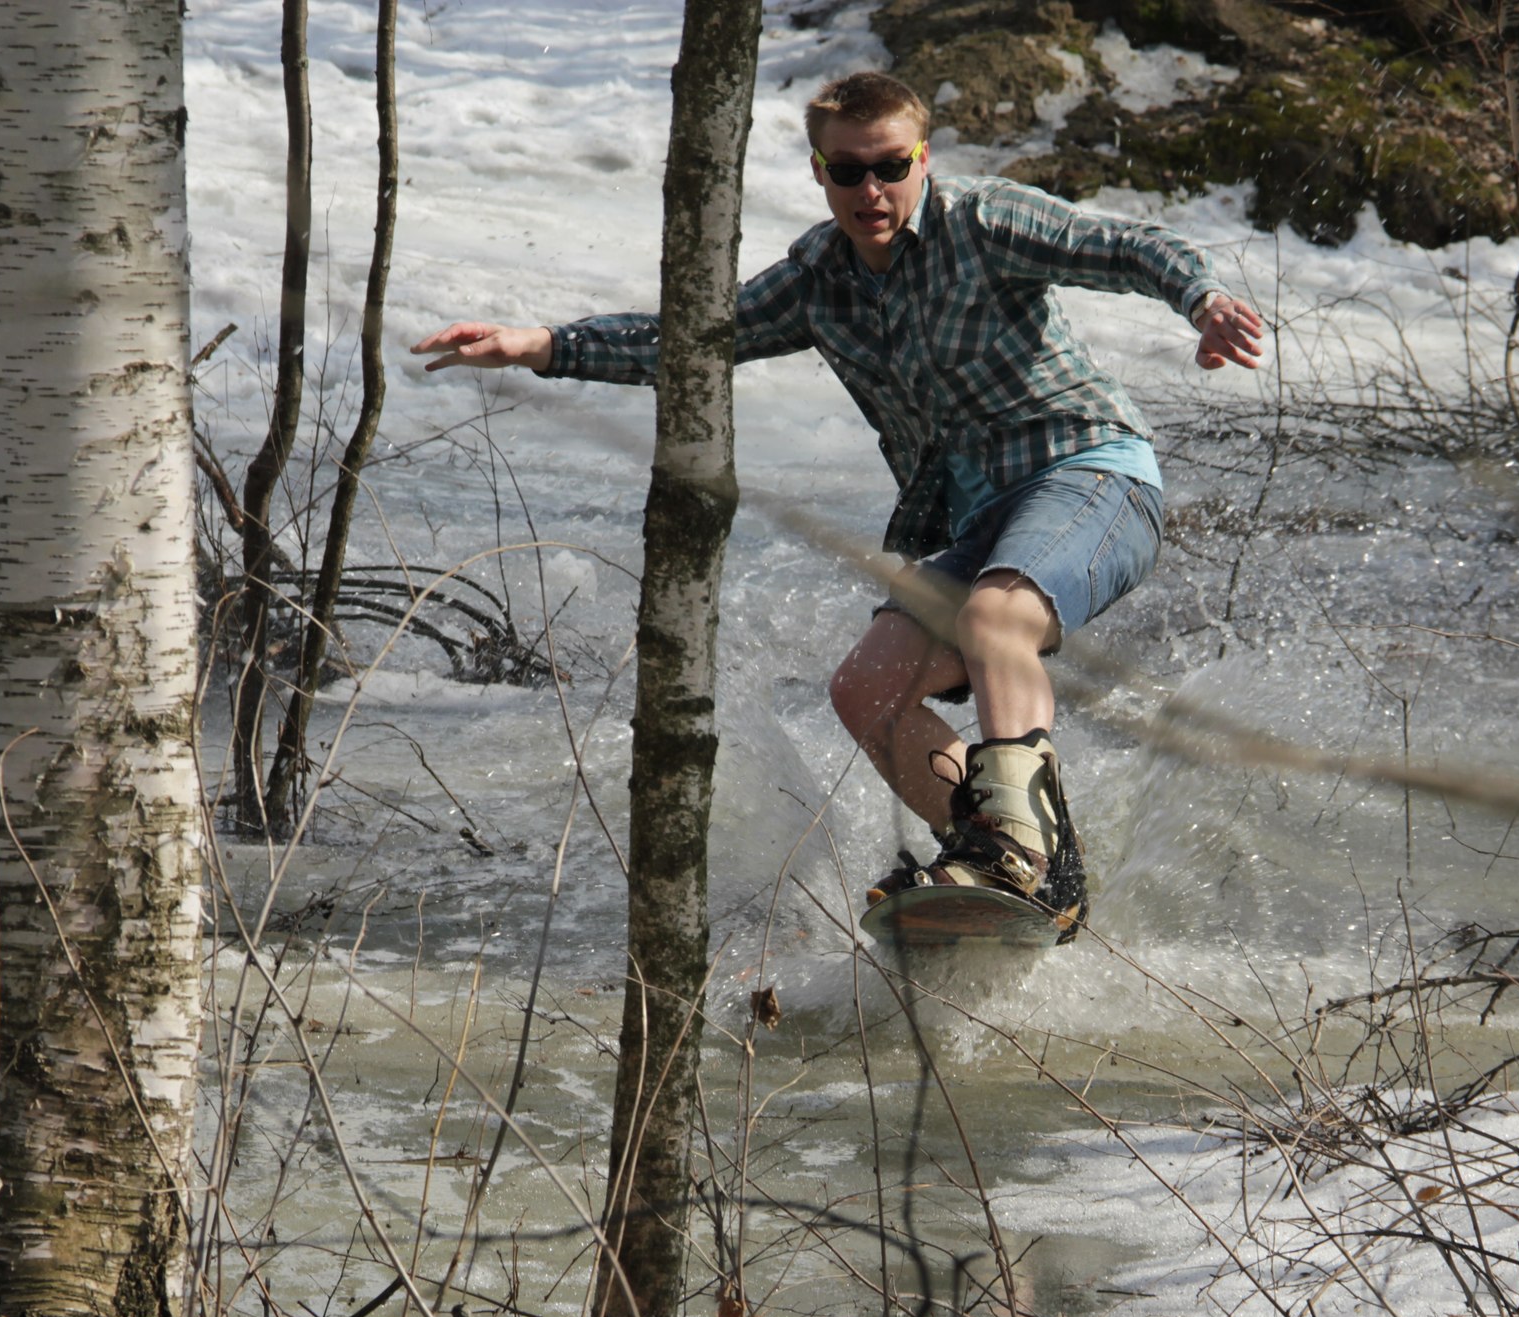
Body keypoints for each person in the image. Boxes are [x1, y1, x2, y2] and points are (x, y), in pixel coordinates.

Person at [414, 70, 1264, 939]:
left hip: (1093, 475)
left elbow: (1123, 245)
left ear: (923, 159)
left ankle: (1018, 852)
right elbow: (696, 337)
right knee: (866, 690)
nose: (872, 190)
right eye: (848, 171)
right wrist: (541, 345)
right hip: (984, 523)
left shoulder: (984, 221)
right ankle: (1011, 862)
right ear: (819, 172)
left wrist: (1203, 302)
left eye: (891, 166)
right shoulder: (819, 277)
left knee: (995, 617)